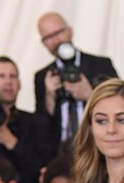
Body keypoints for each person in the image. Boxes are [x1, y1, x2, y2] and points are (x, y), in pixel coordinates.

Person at [35, 11, 119, 151]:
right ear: (43, 43)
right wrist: (50, 97)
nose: (56, 41)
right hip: (61, 152)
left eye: (59, 33)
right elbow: (40, 126)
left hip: (99, 148)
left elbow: (122, 105)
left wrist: (90, 95)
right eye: (48, 38)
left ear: (70, 31)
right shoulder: (42, 76)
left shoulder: (101, 65)